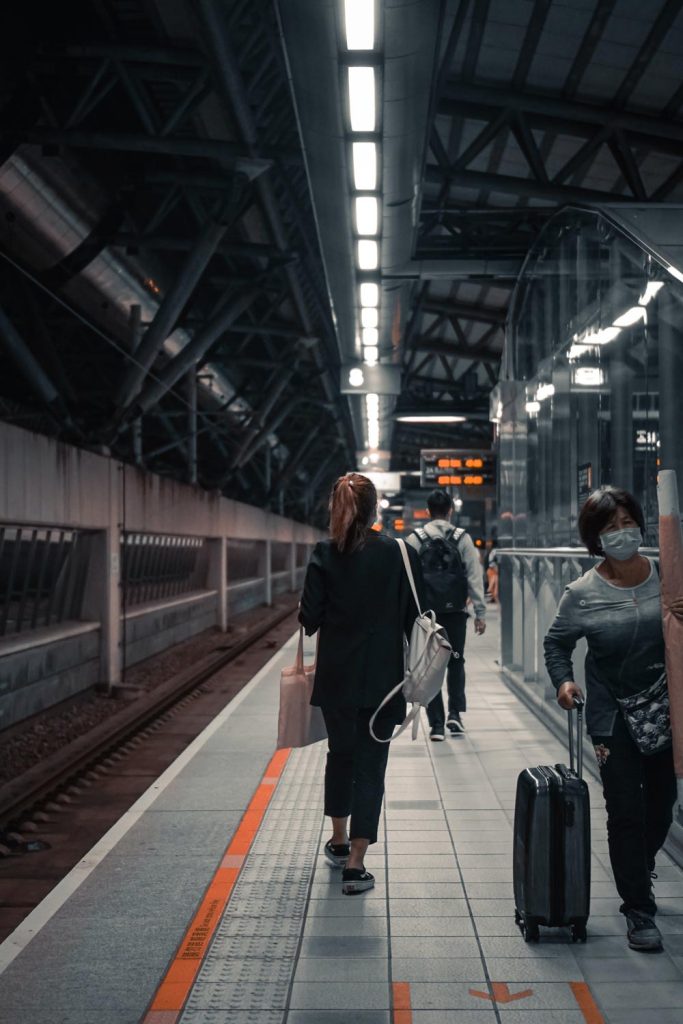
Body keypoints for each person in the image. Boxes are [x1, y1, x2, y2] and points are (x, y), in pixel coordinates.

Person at [544, 486, 683, 952]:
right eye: (610, 527)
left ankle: (638, 864)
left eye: (627, 523)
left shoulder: (667, 577)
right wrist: (564, 683)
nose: (622, 533)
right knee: (625, 809)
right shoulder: (581, 594)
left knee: (663, 802)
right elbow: (556, 644)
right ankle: (638, 910)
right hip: (612, 714)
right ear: (595, 539)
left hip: (667, 705)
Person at [298, 472, 423, 895]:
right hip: (383, 681)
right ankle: (356, 864)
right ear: (374, 511)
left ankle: (336, 838)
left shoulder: (323, 553)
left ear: (334, 510)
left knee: (340, 756)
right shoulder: (398, 553)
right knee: (372, 767)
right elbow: (415, 619)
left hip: (336, 680)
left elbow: (309, 621)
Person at [406, 489, 486, 740]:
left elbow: (408, 579)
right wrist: (480, 612)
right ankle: (455, 715)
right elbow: (474, 576)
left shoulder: (415, 539)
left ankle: (437, 725)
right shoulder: (463, 538)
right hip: (455, 613)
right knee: (456, 661)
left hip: (427, 616)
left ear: (427, 511)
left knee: (430, 666)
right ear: (451, 510)